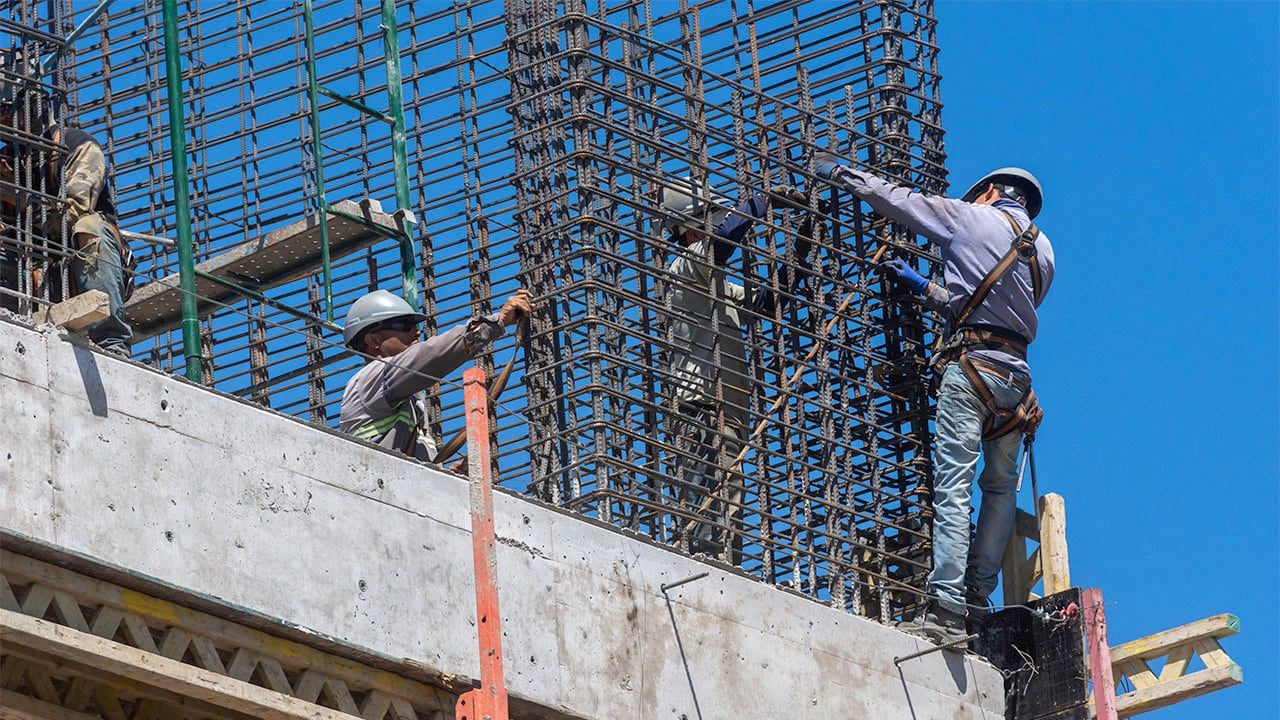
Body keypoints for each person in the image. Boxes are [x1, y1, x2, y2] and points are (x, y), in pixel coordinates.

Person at [814, 154, 1055, 643]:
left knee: (952, 486)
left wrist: (842, 173)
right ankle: (974, 600)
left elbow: (901, 202)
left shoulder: (970, 217)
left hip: (971, 372)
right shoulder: (1045, 252)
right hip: (1016, 384)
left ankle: (944, 606)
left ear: (989, 190)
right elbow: (989, 307)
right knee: (1000, 491)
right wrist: (927, 289)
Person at [660, 177, 814, 558]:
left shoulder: (711, 283)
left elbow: (765, 303)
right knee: (706, 498)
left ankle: (722, 561)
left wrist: (801, 250)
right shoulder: (684, 265)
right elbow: (724, 241)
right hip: (700, 406)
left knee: (729, 502)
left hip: (727, 410)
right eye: (712, 216)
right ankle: (706, 559)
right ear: (689, 224)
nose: (718, 221)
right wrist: (762, 202)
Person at [0, 48, 133, 356]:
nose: (4, 124)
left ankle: (111, 340)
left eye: (7, 113)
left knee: (90, 226)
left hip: (76, 268)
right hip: (29, 275)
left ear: (31, 103)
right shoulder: (8, 162)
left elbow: (73, 214)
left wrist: (17, 200)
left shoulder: (77, 146)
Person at [338, 288, 533, 461]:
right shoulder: (369, 379)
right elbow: (430, 355)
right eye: (404, 324)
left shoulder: (405, 405)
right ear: (373, 340)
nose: (415, 332)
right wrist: (494, 323)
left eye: (415, 325)